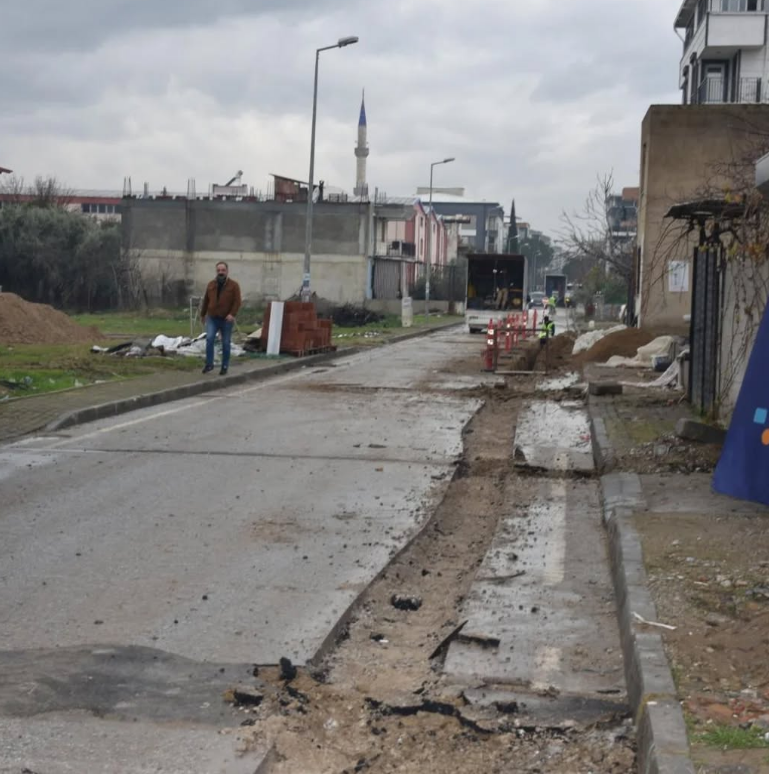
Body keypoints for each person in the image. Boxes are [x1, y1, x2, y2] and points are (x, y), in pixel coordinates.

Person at [200, 261, 242, 375]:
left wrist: (232, 314)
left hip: (226, 319)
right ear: (216, 271)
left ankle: (224, 366)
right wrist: (203, 314)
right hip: (212, 317)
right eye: (218, 270)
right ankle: (209, 364)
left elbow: (237, 302)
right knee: (209, 339)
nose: (221, 272)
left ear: (227, 271)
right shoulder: (211, 285)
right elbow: (206, 300)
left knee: (226, 342)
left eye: (223, 270)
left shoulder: (234, 286)